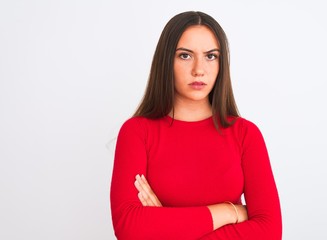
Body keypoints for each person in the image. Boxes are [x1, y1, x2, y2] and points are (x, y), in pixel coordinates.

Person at [110, 11, 282, 239]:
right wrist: (229, 212)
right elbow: (129, 228)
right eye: (185, 56)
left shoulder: (245, 134)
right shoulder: (137, 132)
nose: (199, 69)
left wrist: (166, 226)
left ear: (222, 64)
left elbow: (269, 231)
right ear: (166, 61)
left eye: (211, 56)